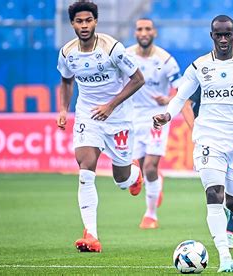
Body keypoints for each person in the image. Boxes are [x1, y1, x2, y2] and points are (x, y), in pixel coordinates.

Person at [154, 15, 233, 272]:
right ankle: (225, 256)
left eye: (227, 34)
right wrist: (167, 115)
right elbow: (180, 95)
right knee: (213, 194)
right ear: (212, 36)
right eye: (218, 35)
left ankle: (231, 228)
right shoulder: (199, 66)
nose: (223, 39)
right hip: (209, 138)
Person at [56, 1, 145, 253]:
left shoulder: (112, 48)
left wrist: (111, 105)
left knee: (121, 179)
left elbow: (139, 79)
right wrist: (63, 109)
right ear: (72, 24)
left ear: (96, 21)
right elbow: (66, 81)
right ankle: (91, 235)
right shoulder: (67, 52)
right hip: (88, 115)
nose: (84, 26)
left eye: (88, 21)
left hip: (118, 119)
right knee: (85, 168)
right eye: (79, 21)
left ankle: (134, 175)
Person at [181, 31, 233, 250]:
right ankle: (226, 235)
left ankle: (230, 229)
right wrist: (197, 130)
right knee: (215, 190)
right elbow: (185, 103)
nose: (232, 46)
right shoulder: (208, 75)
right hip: (211, 138)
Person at [126, 18, 182, 229]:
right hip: (131, 116)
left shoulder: (166, 60)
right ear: (135, 33)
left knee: (150, 167)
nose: (144, 32)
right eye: (140, 29)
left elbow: (181, 89)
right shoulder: (126, 55)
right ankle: (156, 183)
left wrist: (168, 100)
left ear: (154, 32)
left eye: (148, 29)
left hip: (157, 118)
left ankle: (151, 215)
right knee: (135, 169)